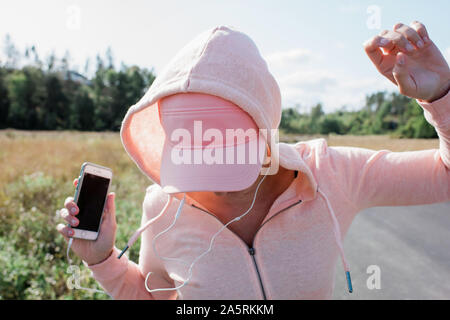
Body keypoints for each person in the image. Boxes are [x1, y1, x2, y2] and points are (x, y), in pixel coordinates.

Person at [57, 22, 450, 300]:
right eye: (192, 149)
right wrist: (103, 260)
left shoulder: (330, 173)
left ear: (265, 124)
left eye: (227, 150)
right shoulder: (163, 206)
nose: (213, 176)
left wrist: (441, 96)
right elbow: (152, 295)